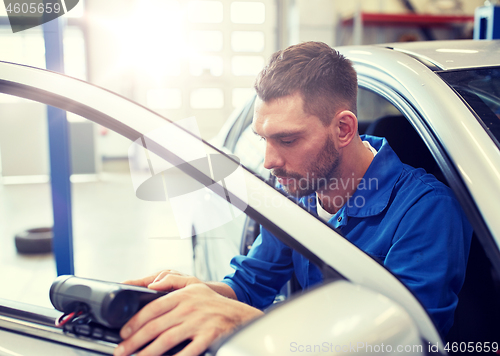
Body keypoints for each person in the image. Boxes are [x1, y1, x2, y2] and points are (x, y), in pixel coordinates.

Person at [113, 42, 472, 356]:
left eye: (287, 140)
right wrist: (199, 291)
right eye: (262, 139)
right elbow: (250, 284)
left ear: (344, 129)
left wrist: (243, 320)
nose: (269, 162)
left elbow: (406, 345)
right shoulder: (296, 195)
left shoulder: (427, 211)